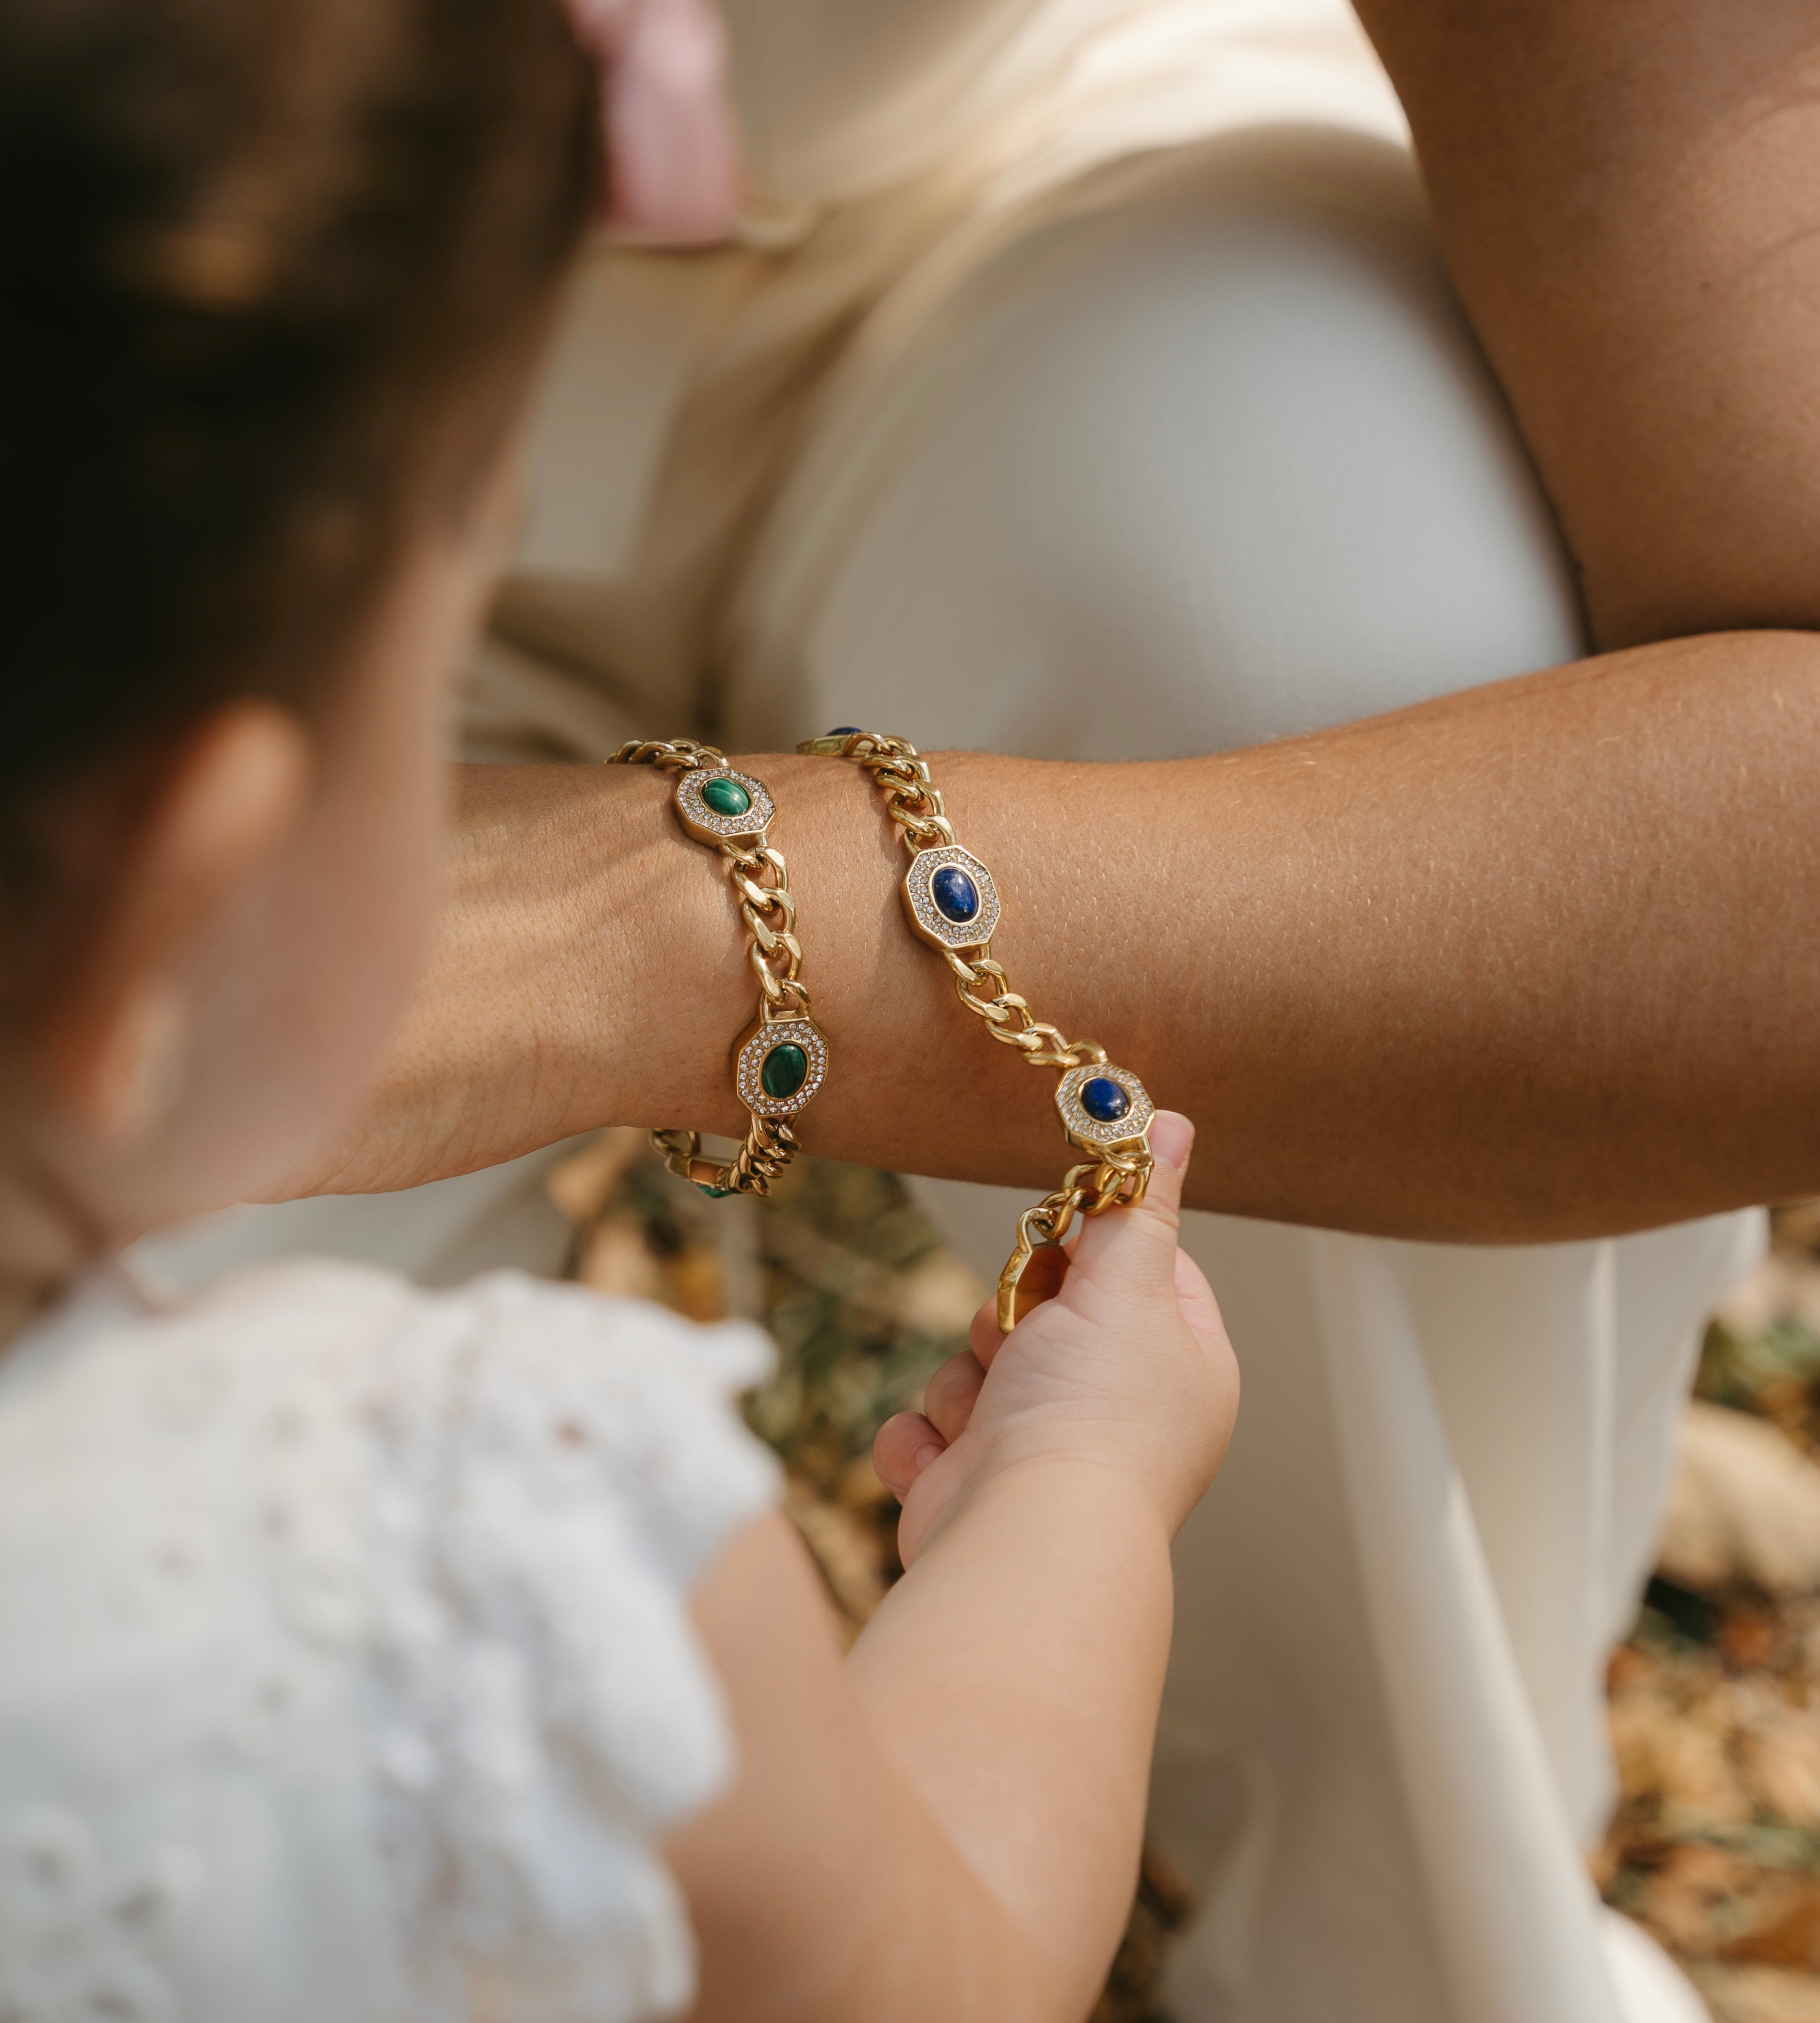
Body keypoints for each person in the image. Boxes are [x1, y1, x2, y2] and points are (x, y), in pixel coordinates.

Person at [217, 3, 1820, 2020]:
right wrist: (1067, 1497)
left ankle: (1409, 1949)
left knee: (1332, 612)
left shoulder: (592, 1554)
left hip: (1023, 224)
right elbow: (926, 1973)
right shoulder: (594, 1553)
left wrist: (645, 928)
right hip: (67, 461)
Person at [0, 3, 1243, 2019]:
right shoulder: (474, 1569)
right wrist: (1076, 1495)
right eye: (439, 650)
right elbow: (951, 1963)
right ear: (183, 871)